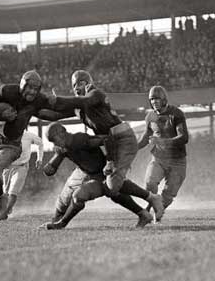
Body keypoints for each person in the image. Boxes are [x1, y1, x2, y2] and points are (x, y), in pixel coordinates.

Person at [51, 70, 164, 222]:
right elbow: (54, 114)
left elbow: (81, 103)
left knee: (111, 187)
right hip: (110, 143)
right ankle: (143, 213)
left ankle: (151, 198)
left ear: (88, 83)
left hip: (121, 138)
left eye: (81, 83)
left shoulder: (95, 94)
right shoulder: (79, 108)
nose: (77, 87)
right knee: (110, 189)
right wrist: (36, 105)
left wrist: (57, 99)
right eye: (74, 85)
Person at [0, 70, 64, 232]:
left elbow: (53, 114)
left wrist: (74, 107)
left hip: (11, 144)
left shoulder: (38, 100)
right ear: (22, 85)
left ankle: (1, 197)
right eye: (30, 88)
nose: (32, 92)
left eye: (36, 89)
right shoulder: (6, 91)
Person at [38, 122, 163, 230]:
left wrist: (109, 161)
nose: (55, 143)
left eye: (54, 139)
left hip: (103, 174)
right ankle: (145, 209)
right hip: (89, 176)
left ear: (62, 133)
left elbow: (106, 139)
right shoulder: (62, 147)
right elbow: (52, 166)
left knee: (111, 189)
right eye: (52, 141)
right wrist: (49, 168)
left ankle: (149, 201)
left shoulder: (80, 140)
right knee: (74, 197)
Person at [137, 86, 188, 221]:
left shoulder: (176, 114)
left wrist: (163, 141)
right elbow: (145, 138)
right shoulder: (150, 116)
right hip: (159, 158)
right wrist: (132, 148)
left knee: (168, 195)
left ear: (164, 99)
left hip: (178, 161)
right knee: (150, 182)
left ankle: (154, 213)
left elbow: (184, 137)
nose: (154, 102)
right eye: (152, 99)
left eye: (157, 99)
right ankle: (149, 211)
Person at [0, 130, 44, 220]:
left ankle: (5, 212)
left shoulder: (29, 135)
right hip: (7, 166)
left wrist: (40, 159)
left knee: (14, 189)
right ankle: (8, 208)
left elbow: (40, 143)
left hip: (22, 166)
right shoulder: (6, 134)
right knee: (5, 192)